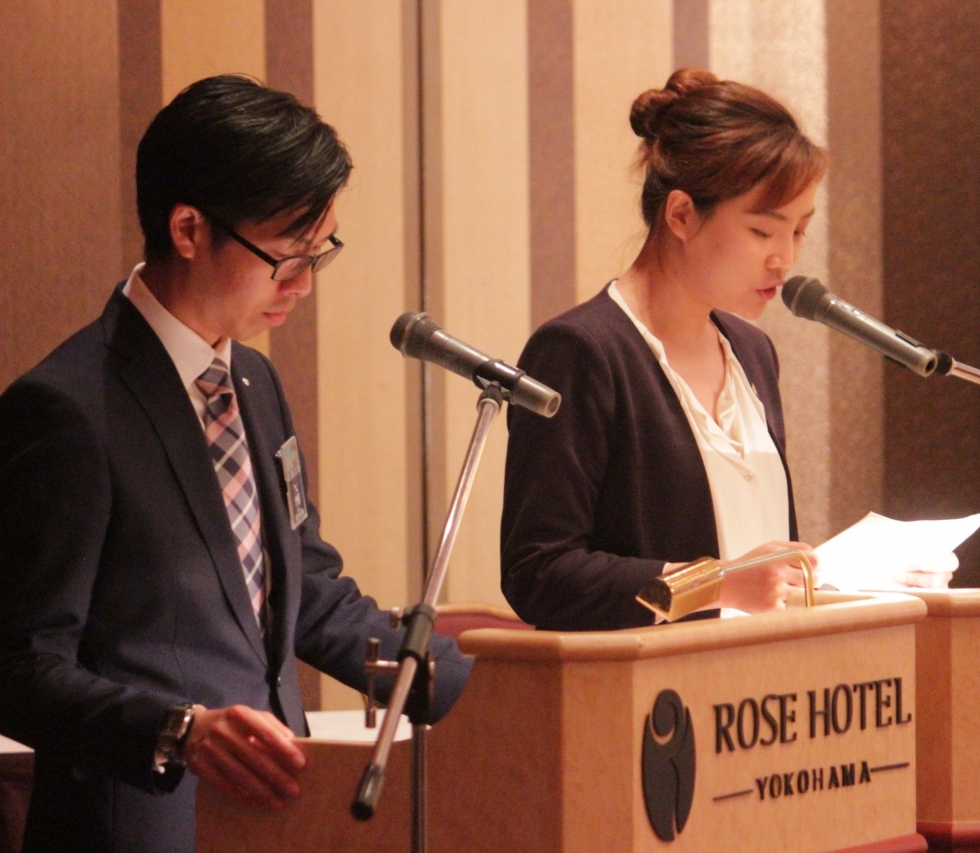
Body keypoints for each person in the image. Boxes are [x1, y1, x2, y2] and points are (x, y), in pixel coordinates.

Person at [0, 75, 470, 853]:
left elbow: (305, 595)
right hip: (137, 829)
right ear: (189, 228)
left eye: (319, 255)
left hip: (267, 823)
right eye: (286, 257)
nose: (305, 284)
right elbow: (19, 665)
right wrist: (179, 731)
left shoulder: (253, 381)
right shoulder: (69, 408)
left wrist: (477, 687)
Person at [501, 69, 827, 631]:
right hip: (650, 682)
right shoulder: (581, 352)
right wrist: (714, 585)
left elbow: (763, 563)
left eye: (798, 232)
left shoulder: (754, 352)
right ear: (681, 215)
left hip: (767, 675)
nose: (785, 260)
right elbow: (540, 572)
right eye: (762, 232)